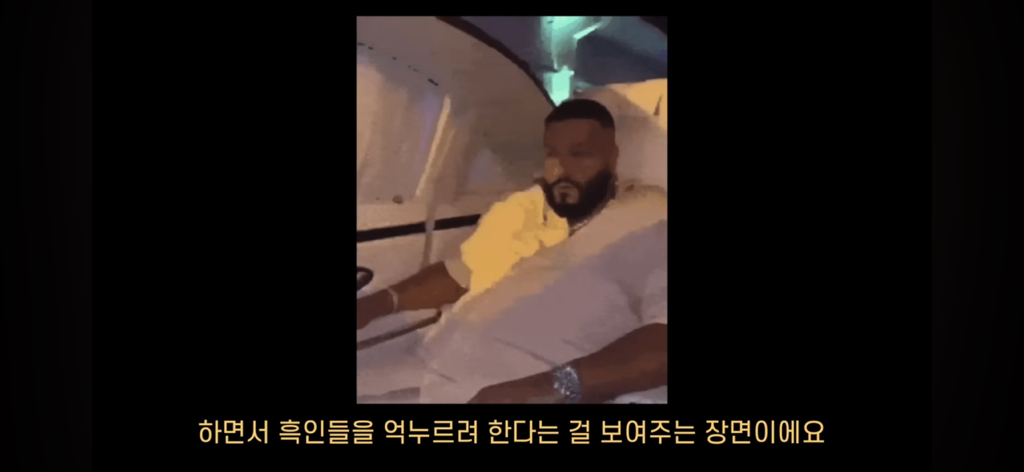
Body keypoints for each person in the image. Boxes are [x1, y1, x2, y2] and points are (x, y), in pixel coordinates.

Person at [356, 99, 667, 404]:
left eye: (580, 154)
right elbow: (462, 272)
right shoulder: (523, 208)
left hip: (512, 387)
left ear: (612, 158)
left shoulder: (648, 219)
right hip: (431, 366)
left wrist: (551, 387)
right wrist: (375, 304)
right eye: (552, 154)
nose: (561, 169)